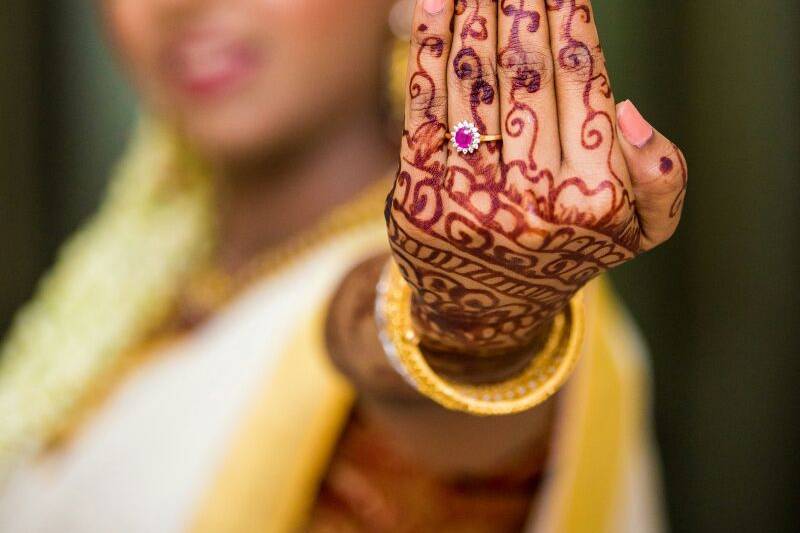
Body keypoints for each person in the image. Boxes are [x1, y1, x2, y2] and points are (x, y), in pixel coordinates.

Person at [0, 0, 687, 531]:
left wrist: (471, 323)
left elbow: (412, 365)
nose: (186, 3)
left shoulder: (492, 281)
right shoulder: (122, 284)